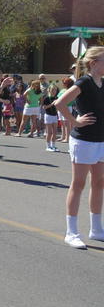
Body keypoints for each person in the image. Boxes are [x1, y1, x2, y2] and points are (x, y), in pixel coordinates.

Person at [55, 46, 104, 249]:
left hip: (101, 139)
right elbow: (60, 103)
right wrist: (75, 121)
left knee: (100, 183)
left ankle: (96, 229)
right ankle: (71, 232)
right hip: (83, 139)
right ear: (94, 63)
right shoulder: (83, 82)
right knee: (79, 183)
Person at [42, 84, 60, 152]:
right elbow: (44, 107)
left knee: (55, 132)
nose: (54, 91)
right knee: (49, 132)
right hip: (48, 116)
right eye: (52, 90)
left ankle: (53, 145)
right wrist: (52, 104)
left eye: (55, 90)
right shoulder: (46, 98)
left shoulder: (56, 97)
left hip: (55, 115)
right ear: (49, 90)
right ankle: (48, 146)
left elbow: (58, 107)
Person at [58, 78, 75, 143]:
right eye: (63, 83)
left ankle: (67, 138)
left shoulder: (71, 90)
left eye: (64, 83)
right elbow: (58, 98)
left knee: (67, 124)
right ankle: (63, 136)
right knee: (62, 123)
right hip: (60, 107)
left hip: (67, 107)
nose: (63, 84)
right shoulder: (62, 90)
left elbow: (72, 100)